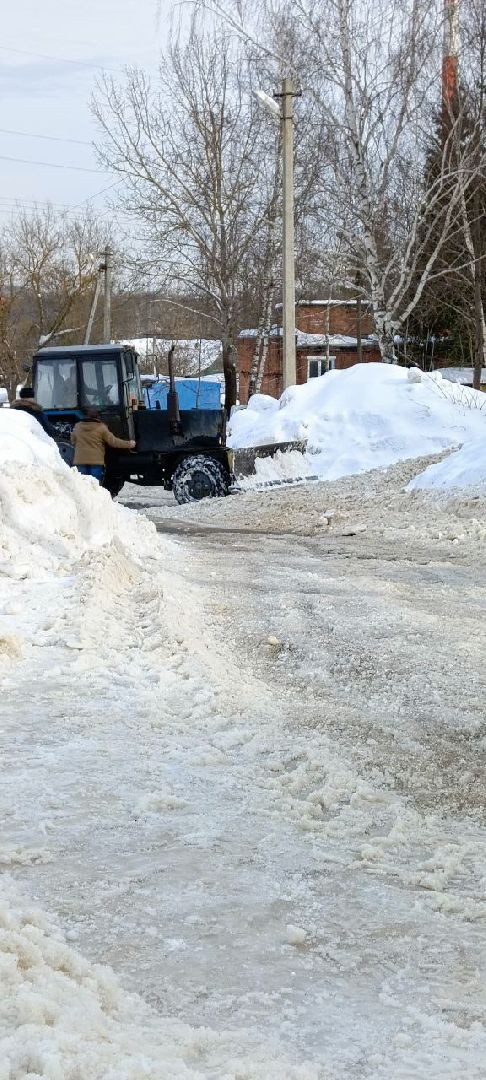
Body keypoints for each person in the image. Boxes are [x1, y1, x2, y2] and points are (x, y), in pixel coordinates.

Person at [70, 406, 135, 483]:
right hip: (95, 461)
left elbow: (73, 441)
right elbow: (114, 442)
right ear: (98, 417)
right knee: (94, 485)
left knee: (82, 485)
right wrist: (129, 444)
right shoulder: (101, 427)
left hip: (80, 461)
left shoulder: (78, 426)